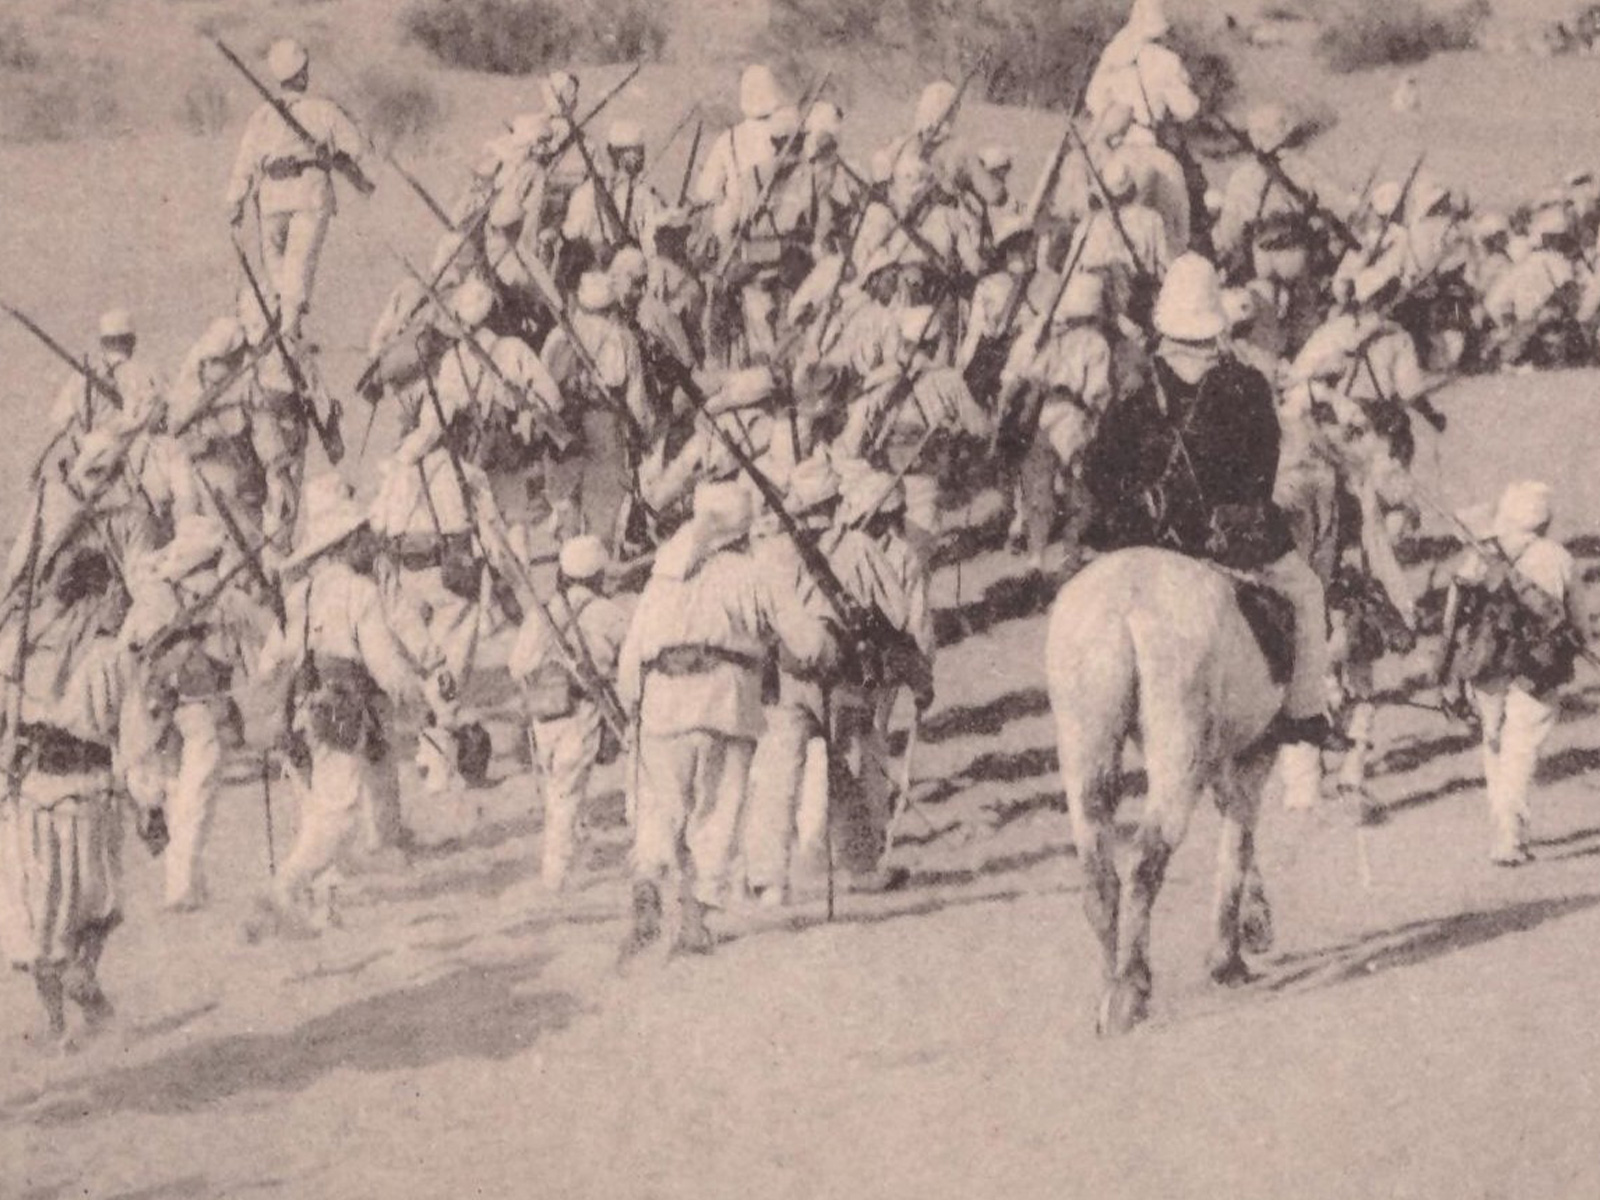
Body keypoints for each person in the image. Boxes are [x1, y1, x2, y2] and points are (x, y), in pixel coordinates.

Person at [1082, 252, 1339, 749]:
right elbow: (1261, 476)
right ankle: (1305, 712)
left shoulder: (1133, 387)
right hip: (1226, 542)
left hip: (1145, 540)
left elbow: (1098, 472)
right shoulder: (1244, 384)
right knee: (1307, 590)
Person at [616, 480, 838, 957]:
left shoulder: (663, 575)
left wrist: (632, 701)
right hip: (722, 700)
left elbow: (631, 652)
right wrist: (828, 646)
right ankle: (697, 913)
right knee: (717, 809)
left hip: (660, 700)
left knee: (660, 804)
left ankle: (648, 874)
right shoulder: (754, 573)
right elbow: (808, 643)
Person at [0, 547, 165, 1050]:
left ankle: (53, 1020)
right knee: (97, 902)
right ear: (99, 593)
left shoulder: (20, 647)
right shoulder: (113, 657)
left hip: (30, 799)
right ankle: (84, 980)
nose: (121, 604)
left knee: (39, 909)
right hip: (87, 798)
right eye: (115, 593)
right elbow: (134, 742)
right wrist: (151, 804)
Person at [250, 477, 430, 936]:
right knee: (339, 813)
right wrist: (416, 697)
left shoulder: (301, 595)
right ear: (346, 543)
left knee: (319, 807)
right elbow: (384, 662)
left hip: (302, 708)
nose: (369, 544)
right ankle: (285, 886)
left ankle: (323, 905)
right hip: (342, 709)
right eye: (361, 537)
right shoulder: (358, 592)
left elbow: (271, 660)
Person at [1440, 482, 1591, 866]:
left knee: (1493, 740)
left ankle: (1503, 824)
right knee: (1522, 746)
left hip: (1487, 663)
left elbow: (1454, 616)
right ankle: (1512, 830)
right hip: (1538, 668)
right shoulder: (1558, 557)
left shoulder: (1480, 556)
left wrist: (1452, 669)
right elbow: (1579, 621)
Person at [224, 38, 372, 340]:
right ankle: (288, 330)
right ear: (303, 74)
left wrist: (235, 202)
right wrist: (332, 157)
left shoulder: (262, 115)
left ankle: (282, 326)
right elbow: (356, 147)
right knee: (298, 267)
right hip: (310, 194)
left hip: (272, 198)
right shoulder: (324, 110)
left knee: (277, 268)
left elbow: (245, 162)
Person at [508, 535, 629, 892]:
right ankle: (555, 873)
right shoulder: (608, 613)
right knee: (567, 791)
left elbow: (517, 666)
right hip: (582, 711)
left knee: (555, 787)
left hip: (544, 711)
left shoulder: (542, 612)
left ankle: (569, 848)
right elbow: (629, 659)